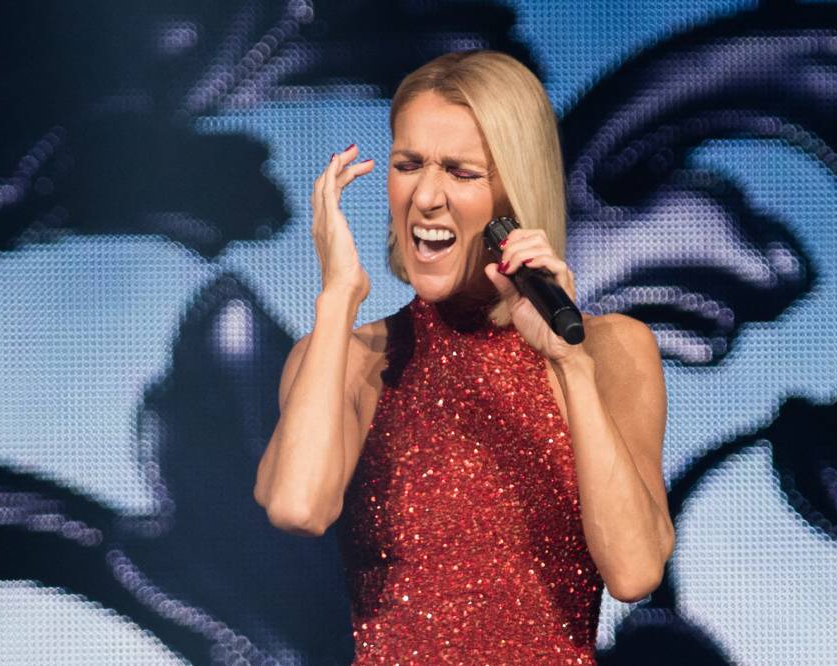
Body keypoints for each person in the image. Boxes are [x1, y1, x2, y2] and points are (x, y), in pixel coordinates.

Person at [253, 49, 675, 664]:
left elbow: (635, 572)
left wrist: (570, 365)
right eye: (408, 165)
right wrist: (338, 295)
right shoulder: (349, 357)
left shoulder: (611, 348)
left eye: (461, 172)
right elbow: (297, 507)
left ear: (513, 190)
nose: (425, 196)